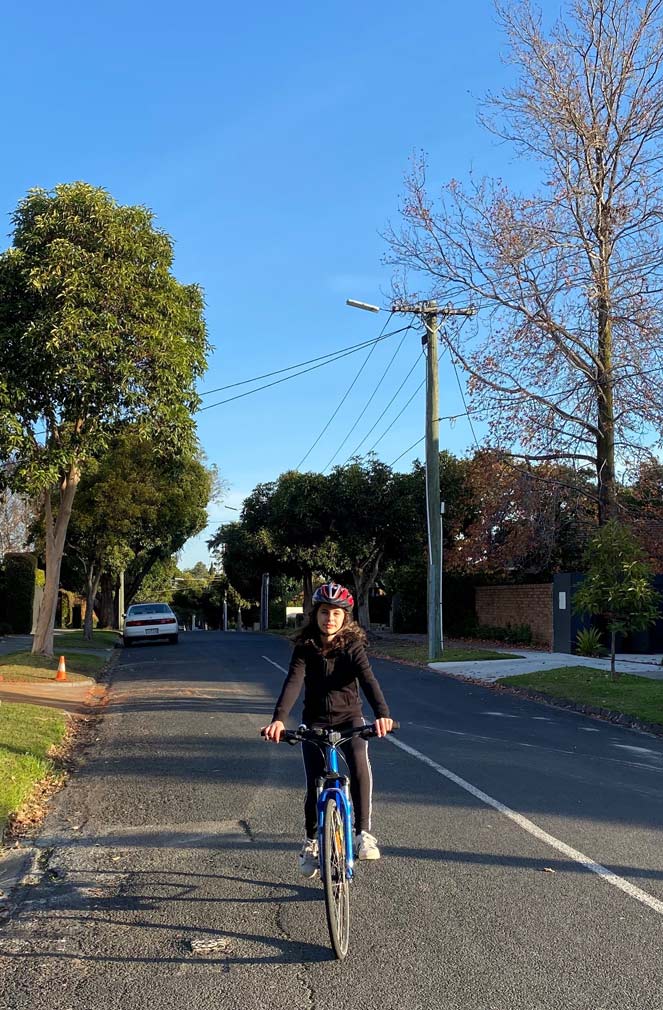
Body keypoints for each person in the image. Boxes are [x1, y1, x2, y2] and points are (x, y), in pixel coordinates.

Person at [261, 581, 394, 877]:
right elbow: (293, 682)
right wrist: (279, 719)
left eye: (335, 613)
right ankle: (312, 842)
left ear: (345, 616)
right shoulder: (305, 648)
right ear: (315, 615)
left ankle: (362, 833)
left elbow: (369, 680)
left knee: (359, 763)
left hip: (351, 720)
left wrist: (382, 715)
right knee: (314, 782)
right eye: (324, 612)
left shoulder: (353, 647)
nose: (329, 619)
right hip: (315, 722)